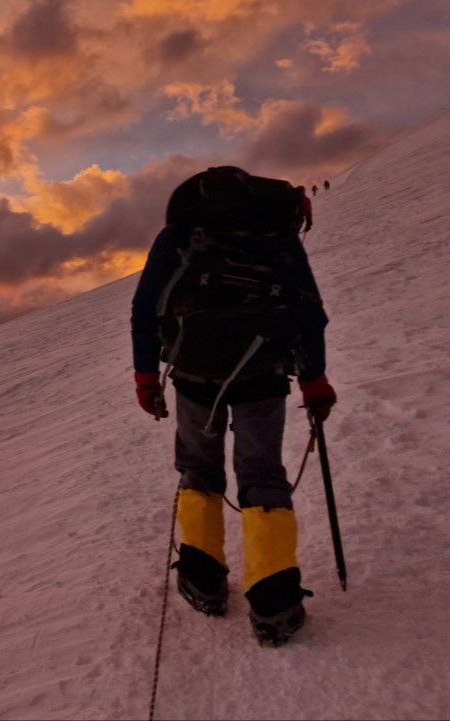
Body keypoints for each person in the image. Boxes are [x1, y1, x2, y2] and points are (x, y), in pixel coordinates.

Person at [130, 166, 337, 646]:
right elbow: (309, 312)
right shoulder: (275, 236)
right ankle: (275, 601)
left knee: (198, 469)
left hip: (195, 375)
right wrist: (315, 379)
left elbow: (145, 307)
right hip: (263, 371)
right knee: (262, 474)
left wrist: (145, 376)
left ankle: (203, 580)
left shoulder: (181, 234)